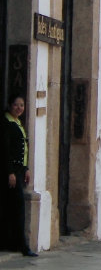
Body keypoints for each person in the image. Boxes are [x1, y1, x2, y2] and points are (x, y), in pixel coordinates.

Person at [1, 96, 35, 256]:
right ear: (9, 105)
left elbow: (24, 148)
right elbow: (5, 150)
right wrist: (10, 172)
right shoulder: (6, 124)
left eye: (22, 105)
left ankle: (10, 242)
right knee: (18, 207)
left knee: (10, 207)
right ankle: (22, 245)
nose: (19, 108)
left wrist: (26, 168)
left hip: (19, 170)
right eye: (16, 105)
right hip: (11, 171)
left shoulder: (18, 123)